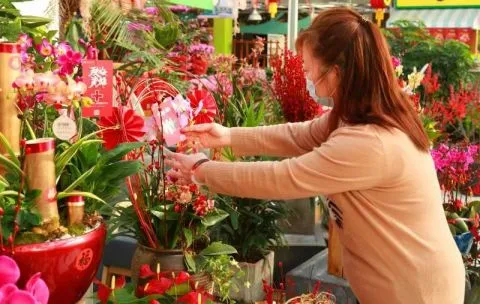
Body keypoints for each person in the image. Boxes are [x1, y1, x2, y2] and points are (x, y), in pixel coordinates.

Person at [166, 7, 465, 304]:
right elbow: (300, 135)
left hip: (418, 292)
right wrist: (230, 136)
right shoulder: (356, 116)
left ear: (335, 73)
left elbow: (284, 177)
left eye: (308, 70)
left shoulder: (370, 141)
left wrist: (203, 170)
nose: (306, 77)